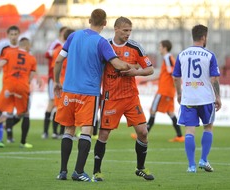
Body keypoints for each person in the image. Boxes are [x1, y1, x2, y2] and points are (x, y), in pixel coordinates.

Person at [54, 9, 133, 182]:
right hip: (88, 93)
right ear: (105, 23)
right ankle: (79, 171)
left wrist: (56, 82)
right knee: (86, 131)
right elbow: (117, 64)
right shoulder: (102, 42)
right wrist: (133, 67)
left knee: (68, 130)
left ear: (89, 20)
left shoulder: (73, 36)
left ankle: (62, 172)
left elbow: (58, 60)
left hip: (68, 90)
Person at [92, 16, 154, 182]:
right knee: (103, 134)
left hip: (131, 97)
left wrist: (136, 72)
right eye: (125, 30)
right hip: (110, 97)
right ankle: (96, 171)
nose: (128, 34)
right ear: (116, 29)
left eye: (130, 31)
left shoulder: (135, 47)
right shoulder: (104, 45)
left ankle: (140, 168)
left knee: (143, 132)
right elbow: (96, 69)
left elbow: (149, 69)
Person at [172, 24, 222, 173]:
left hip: (188, 99)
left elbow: (176, 77)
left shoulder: (182, 54)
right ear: (204, 37)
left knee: (189, 131)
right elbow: (214, 79)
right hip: (206, 98)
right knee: (208, 127)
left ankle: (191, 166)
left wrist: (179, 94)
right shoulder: (209, 55)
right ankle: (203, 160)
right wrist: (218, 97)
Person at [0, 37, 37, 148]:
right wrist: (26, 83)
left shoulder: (9, 53)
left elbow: (0, 65)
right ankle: (23, 142)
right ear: (26, 46)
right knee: (25, 113)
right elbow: (31, 75)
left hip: (9, 85)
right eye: (29, 46)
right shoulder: (31, 58)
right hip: (22, 85)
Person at [131, 40, 184, 142]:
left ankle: (142, 134)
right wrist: (147, 80)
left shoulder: (168, 58)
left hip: (163, 91)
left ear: (165, 48)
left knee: (153, 110)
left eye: (160, 46)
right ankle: (180, 136)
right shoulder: (167, 58)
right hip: (168, 91)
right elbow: (163, 76)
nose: (159, 48)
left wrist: (174, 85)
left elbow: (172, 72)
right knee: (170, 113)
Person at [42, 26, 68, 139]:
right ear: (61, 33)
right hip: (54, 78)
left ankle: (57, 132)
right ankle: (47, 132)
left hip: (63, 80)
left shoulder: (64, 47)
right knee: (52, 103)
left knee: (59, 105)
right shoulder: (57, 45)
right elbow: (47, 54)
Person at [50, 28, 75, 139]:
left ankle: (56, 132)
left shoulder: (57, 51)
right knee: (70, 109)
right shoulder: (76, 51)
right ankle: (65, 133)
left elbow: (55, 65)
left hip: (61, 82)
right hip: (72, 83)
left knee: (59, 108)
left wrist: (56, 81)